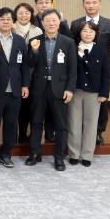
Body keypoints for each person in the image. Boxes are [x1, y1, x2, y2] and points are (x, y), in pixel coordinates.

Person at [69, 0, 110, 145]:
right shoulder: (76, 23)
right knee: (79, 102)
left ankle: (98, 132)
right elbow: (71, 44)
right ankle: (80, 133)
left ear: (99, 4)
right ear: (83, 4)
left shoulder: (108, 23)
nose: (91, 5)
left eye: (94, 2)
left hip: (101, 70)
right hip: (81, 69)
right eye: (87, 2)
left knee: (101, 102)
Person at [25, 9, 77, 171]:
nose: (51, 23)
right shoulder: (34, 41)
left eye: (54, 20)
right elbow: (29, 64)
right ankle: (35, 153)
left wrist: (70, 89)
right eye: (47, 20)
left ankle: (59, 157)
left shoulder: (68, 42)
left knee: (61, 125)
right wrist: (34, 50)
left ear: (59, 21)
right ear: (42, 23)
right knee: (36, 122)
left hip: (60, 89)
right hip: (39, 88)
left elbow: (73, 69)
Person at [0, 7, 30, 168]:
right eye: (2, 19)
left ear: (13, 22)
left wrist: (25, 85)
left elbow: (24, 65)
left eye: (8, 19)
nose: (5, 22)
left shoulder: (19, 40)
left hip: (15, 90)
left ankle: (6, 153)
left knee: (11, 124)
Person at [68, 20, 110, 167]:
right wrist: (80, 54)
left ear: (96, 34)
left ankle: (87, 155)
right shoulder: (72, 48)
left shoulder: (101, 50)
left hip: (94, 92)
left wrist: (104, 93)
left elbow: (106, 73)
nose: (87, 34)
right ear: (79, 33)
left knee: (91, 124)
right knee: (74, 123)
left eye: (91, 31)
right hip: (75, 91)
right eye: (84, 31)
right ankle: (74, 154)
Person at [13, 2, 43, 144]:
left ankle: (28, 135)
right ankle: (18, 134)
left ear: (31, 15)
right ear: (15, 14)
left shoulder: (37, 31)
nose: (23, 15)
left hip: (33, 75)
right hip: (14, 74)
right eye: (20, 13)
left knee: (31, 106)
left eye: (27, 13)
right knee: (17, 108)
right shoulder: (10, 28)